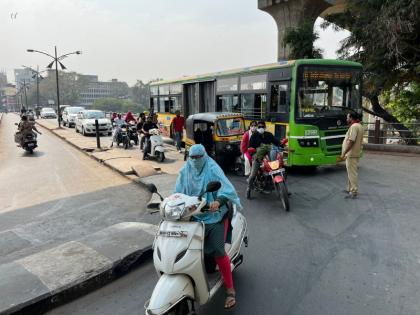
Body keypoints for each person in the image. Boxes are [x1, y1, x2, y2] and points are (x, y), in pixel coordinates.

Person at [175, 144, 240, 309]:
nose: (195, 160)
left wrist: (218, 201)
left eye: (198, 157)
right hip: (194, 215)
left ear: (204, 155)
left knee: (218, 252)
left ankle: (230, 290)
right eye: (192, 157)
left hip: (215, 216)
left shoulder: (212, 168)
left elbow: (227, 189)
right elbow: (177, 193)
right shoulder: (185, 170)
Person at [247, 121, 281, 192]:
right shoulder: (254, 136)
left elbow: (276, 142)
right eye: (259, 127)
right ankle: (249, 187)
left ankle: (284, 189)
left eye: (262, 127)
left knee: (277, 169)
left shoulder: (269, 134)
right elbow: (250, 147)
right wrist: (253, 153)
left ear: (265, 127)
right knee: (253, 174)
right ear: (257, 128)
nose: (261, 128)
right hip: (257, 157)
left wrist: (282, 144)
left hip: (268, 157)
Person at [340, 112, 364, 199]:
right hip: (355, 153)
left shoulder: (354, 127)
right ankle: (350, 188)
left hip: (351, 154)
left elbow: (351, 141)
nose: (346, 119)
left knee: (352, 173)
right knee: (351, 172)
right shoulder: (359, 126)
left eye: (347, 117)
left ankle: (353, 191)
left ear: (351, 118)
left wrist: (344, 152)